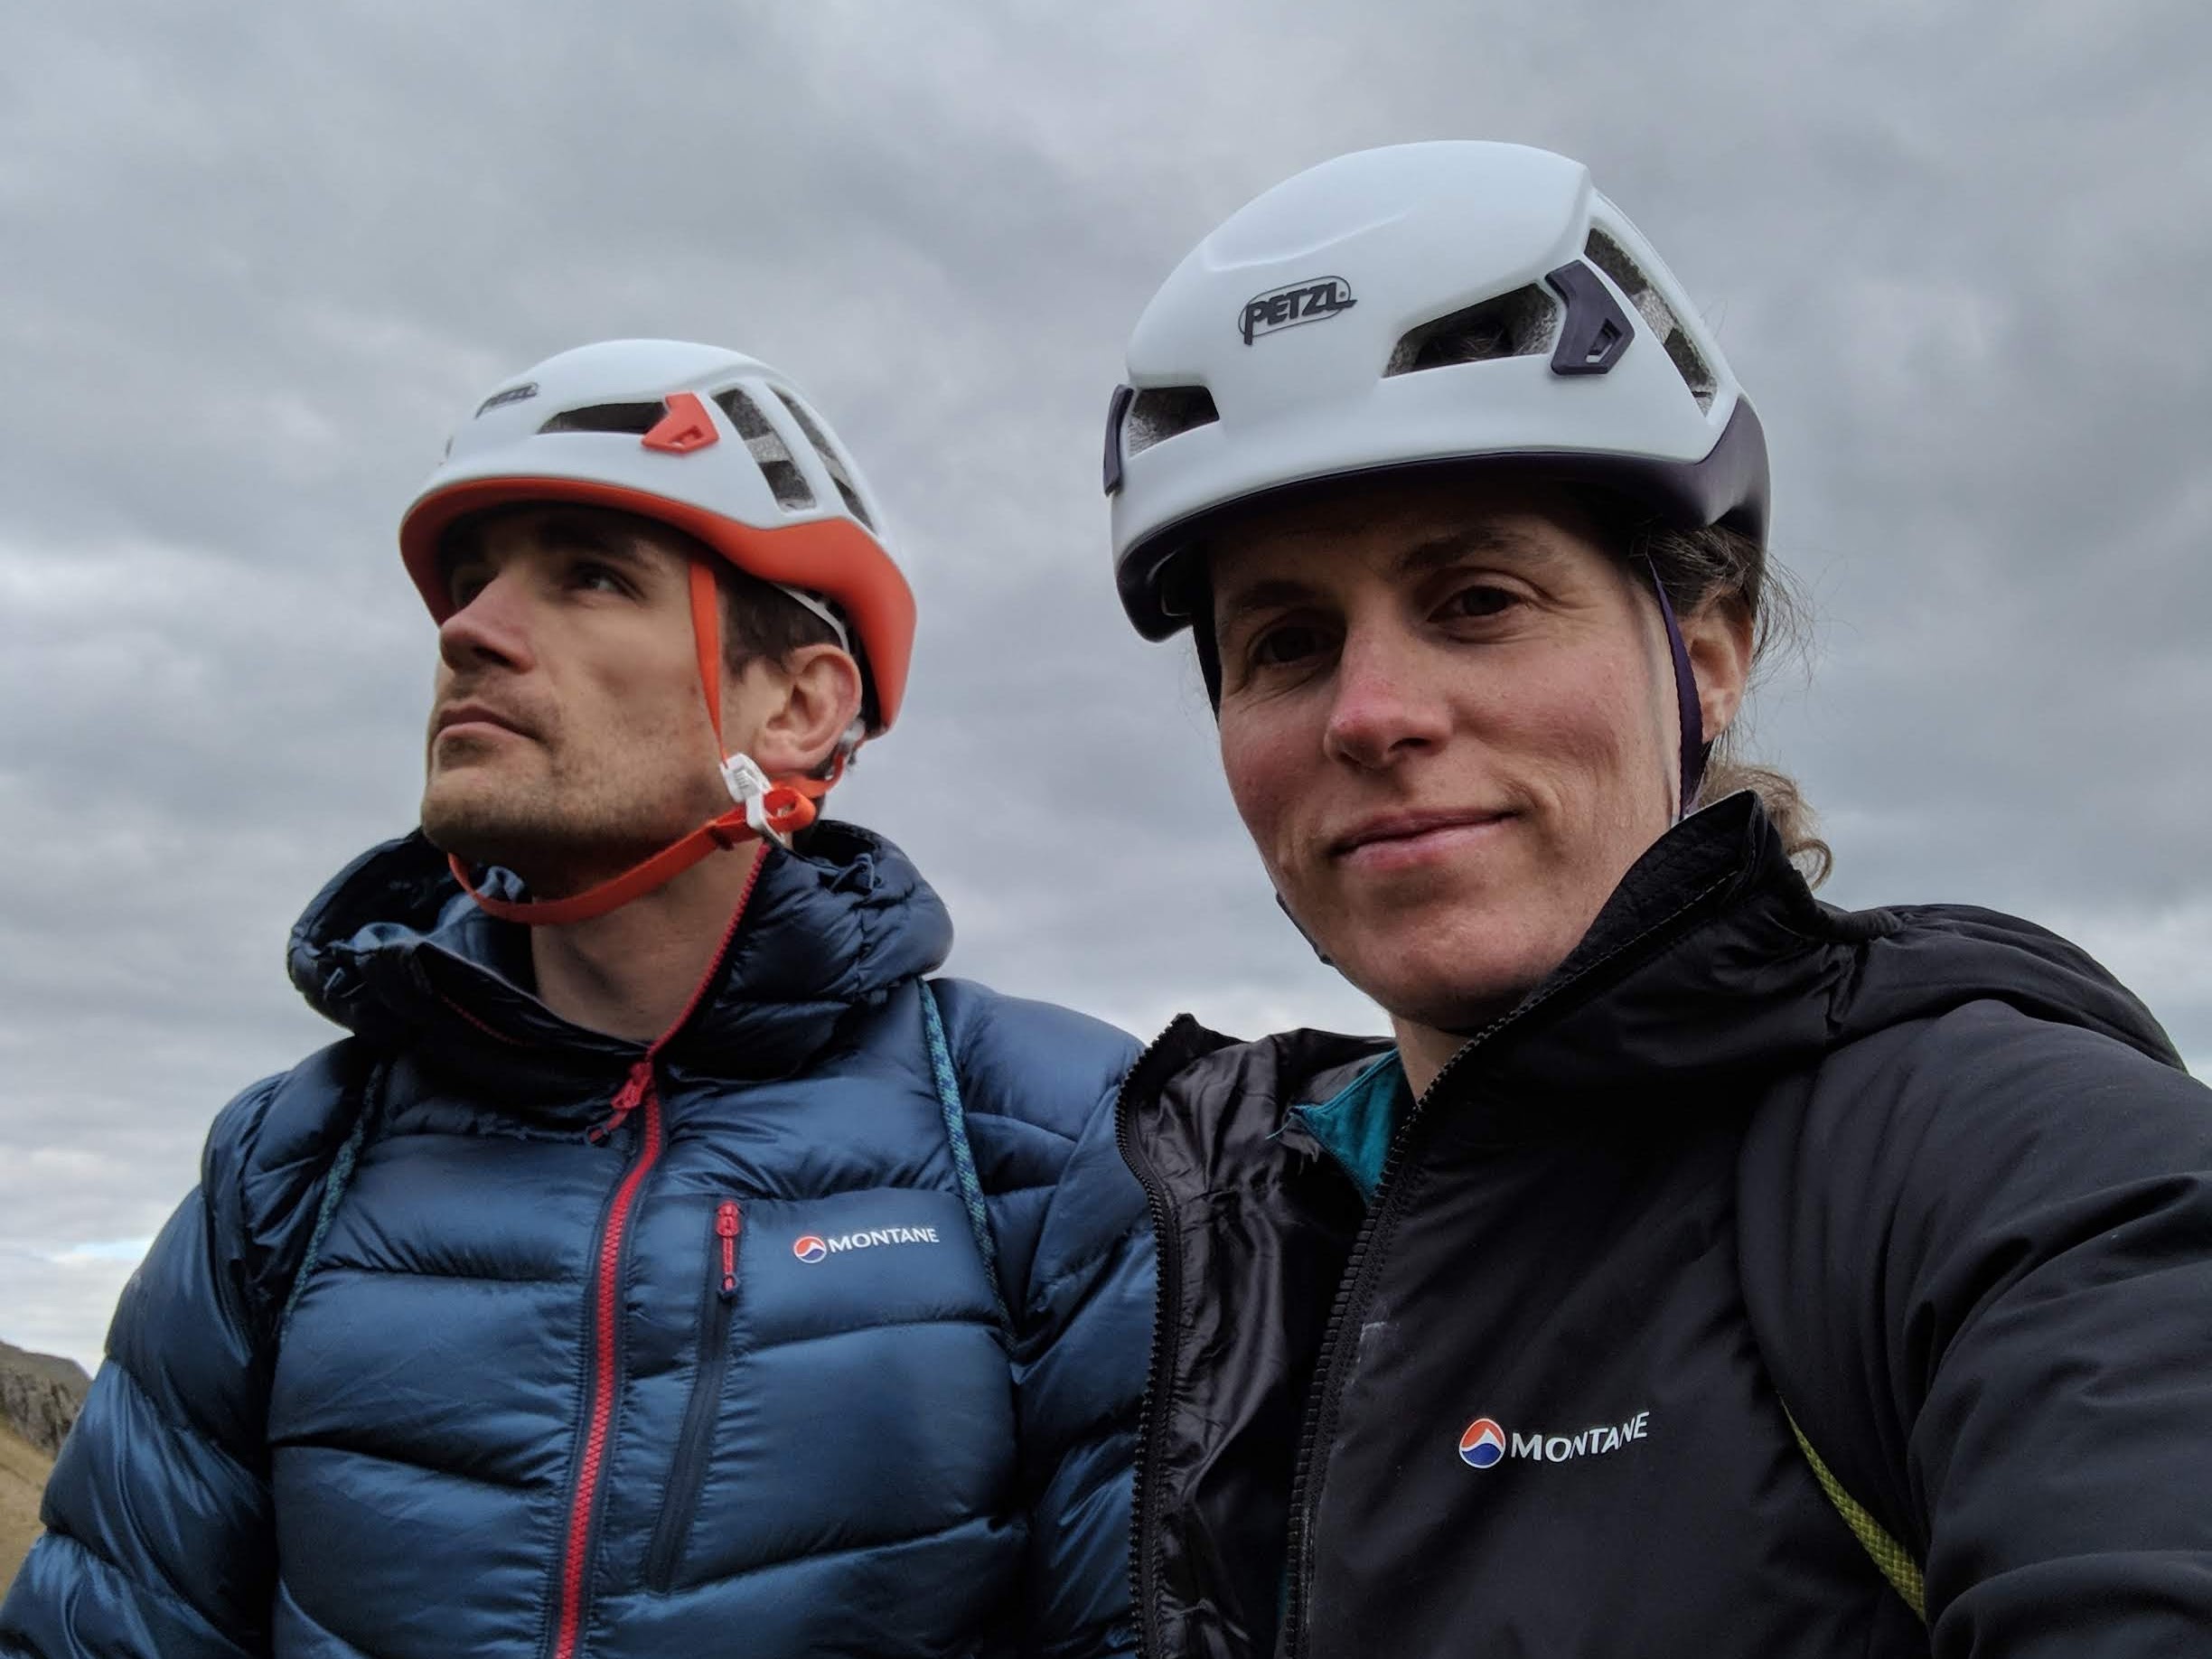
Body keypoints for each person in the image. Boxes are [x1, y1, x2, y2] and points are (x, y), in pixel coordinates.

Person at [1097, 142, 2212, 1657]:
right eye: (1285, 644)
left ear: (1706, 655)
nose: (1371, 714)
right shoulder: (1231, 1226)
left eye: (1477, 601)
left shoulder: (2013, 1165)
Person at [3, 340, 1151, 1659]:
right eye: (472, 584)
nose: (467, 631)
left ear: (797, 706)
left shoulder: (1048, 1138)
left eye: (590, 575)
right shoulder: (285, 1166)